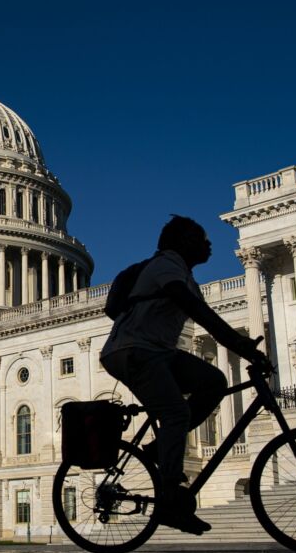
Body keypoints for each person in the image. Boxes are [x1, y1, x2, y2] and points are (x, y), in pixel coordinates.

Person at [99, 215, 269, 535]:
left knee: (215, 382)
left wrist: (241, 347)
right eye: (201, 239)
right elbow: (199, 313)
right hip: (133, 350)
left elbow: (203, 315)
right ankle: (169, 501)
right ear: (182, 243)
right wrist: (240, 344)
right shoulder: (165, 267)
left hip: (157, 352)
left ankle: (159, 447)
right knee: (175, 411)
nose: (208, 245)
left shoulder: (185, 276)